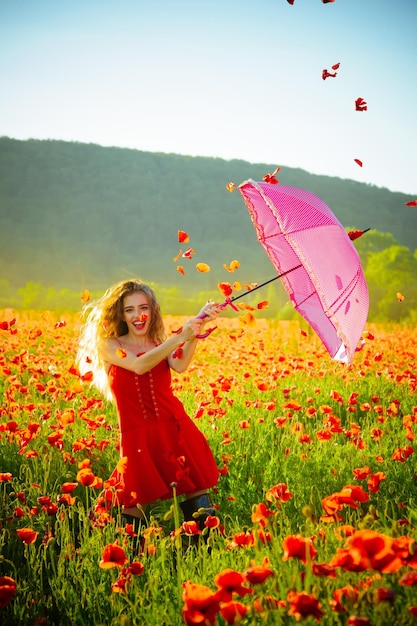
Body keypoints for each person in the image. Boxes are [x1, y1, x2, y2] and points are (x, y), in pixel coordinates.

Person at [76, 278, 221, 533]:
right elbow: (139, 365)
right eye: (129, 310)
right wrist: (179, 338)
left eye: (143, 308)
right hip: (137, 434)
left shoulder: (158, 344)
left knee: (196, 488)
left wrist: (195, 330)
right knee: (133, 501)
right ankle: (131, 564)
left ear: (152, 310)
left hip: (173, 426)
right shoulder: (110, 346)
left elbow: (180, 364)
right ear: (120, 315)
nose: (138, 315)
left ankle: (203, 553)